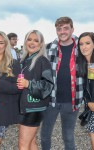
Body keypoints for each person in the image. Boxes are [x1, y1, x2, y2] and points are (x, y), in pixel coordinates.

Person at [40, 16, 84, 150]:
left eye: (66, 28)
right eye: (59, 29)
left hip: (72, 100)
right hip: (50, 100)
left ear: (72, 29)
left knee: (68, 136)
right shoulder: (48, 49)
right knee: (45, 135)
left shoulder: (82, 49)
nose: (62, 31)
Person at [17, 30, 54, 150]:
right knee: (31, 142)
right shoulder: (24, 60)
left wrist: (28, 84)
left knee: (23, 145)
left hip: (34, 107)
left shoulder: (43, 61)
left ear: (41, 44)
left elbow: (48, 85)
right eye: (29, 39)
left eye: (36, 40)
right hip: (26, 106)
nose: (32, 43)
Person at [77, 32, 94, 149]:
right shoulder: (82, 65)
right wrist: (88, 102)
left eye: (87, 43)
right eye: (81, 44)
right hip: (90, 110)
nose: (84, 47)